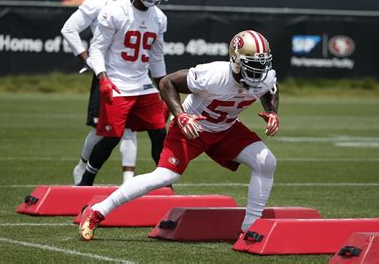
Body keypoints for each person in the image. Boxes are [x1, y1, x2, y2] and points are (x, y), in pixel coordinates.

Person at [79, 30, 280, 241]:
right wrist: (181, 115)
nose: (260, 71)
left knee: (266, 162)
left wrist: (272, 111)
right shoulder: (214, 75)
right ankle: (96, 211)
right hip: (192, 127)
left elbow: (271, 90)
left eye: (263, 64)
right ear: (236, 61)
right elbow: (167, 82)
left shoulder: (265, 77)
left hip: (226, 128)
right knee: (165, 176)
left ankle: (249, 229)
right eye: (253, 64)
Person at [61, 0, 168, 185]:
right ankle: (86, 180)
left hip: (143, 83)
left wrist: (165, 92)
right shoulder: (114, 10)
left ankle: (166, 184)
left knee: (159, 133)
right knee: (111, 137)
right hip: (117, 82)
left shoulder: (159, 17)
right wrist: (103, 78)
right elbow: (97, 49)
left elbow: (157, 59)